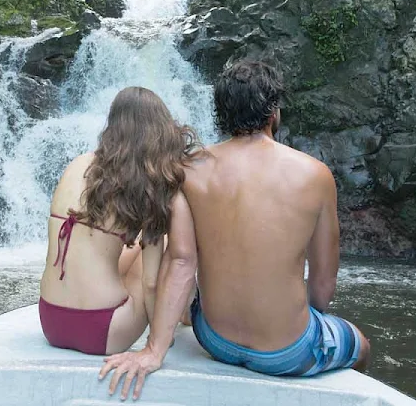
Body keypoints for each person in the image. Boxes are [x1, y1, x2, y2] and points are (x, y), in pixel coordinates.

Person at [100, 59, 371, 399]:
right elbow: (323, 284)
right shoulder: (315, 175)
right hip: (287, 349)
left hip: (215, 340)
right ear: (273, 111)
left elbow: (181, 262)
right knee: (361, 345)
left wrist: (154, 350)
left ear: (221, 113)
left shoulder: (189, 169)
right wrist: (310, 318)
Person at [39, 86, 199, 356]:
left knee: (130, 249)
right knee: (163, 244)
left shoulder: (77, 164)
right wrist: (159, 335)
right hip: (103, 329)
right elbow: (150, 283)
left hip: (51, 321)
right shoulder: (147, 185)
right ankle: (184, 313)